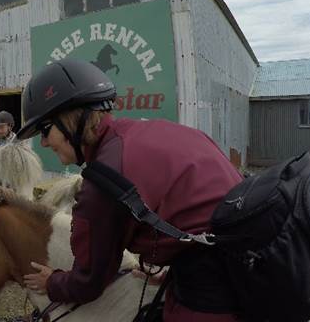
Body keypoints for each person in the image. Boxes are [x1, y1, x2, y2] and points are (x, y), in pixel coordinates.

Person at [18, 58, 242, 321]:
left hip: (216, 291)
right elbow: (206, 210)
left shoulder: (103, 181)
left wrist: (52, 283)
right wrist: (178, 264)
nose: (43, 143)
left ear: (72, 119)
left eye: (45, 130)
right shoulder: (164, 130)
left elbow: (88, 282)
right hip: (250, 261)